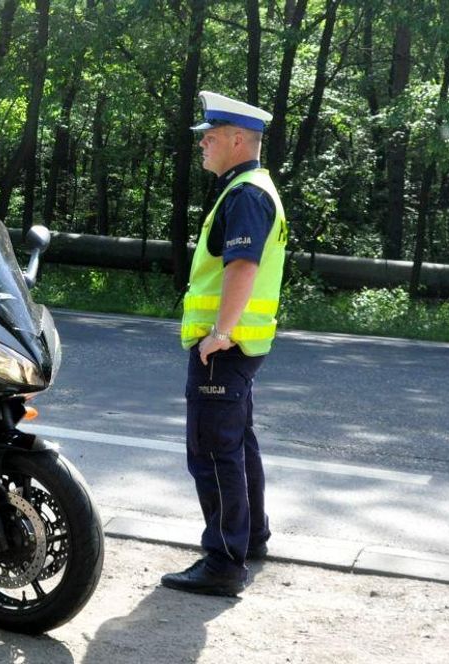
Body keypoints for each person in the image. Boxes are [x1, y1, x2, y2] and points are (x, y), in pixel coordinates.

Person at [160, 91, 288, 597]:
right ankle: (250, 537)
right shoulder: (251, 188)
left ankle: (223, 562)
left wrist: (220, 333)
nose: (203, 145)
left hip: (224, 350)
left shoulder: (246, 194)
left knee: (213, 454)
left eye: (210, 137)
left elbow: (243, 266)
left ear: (239, 140)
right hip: (240, 350)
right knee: (237, 445)